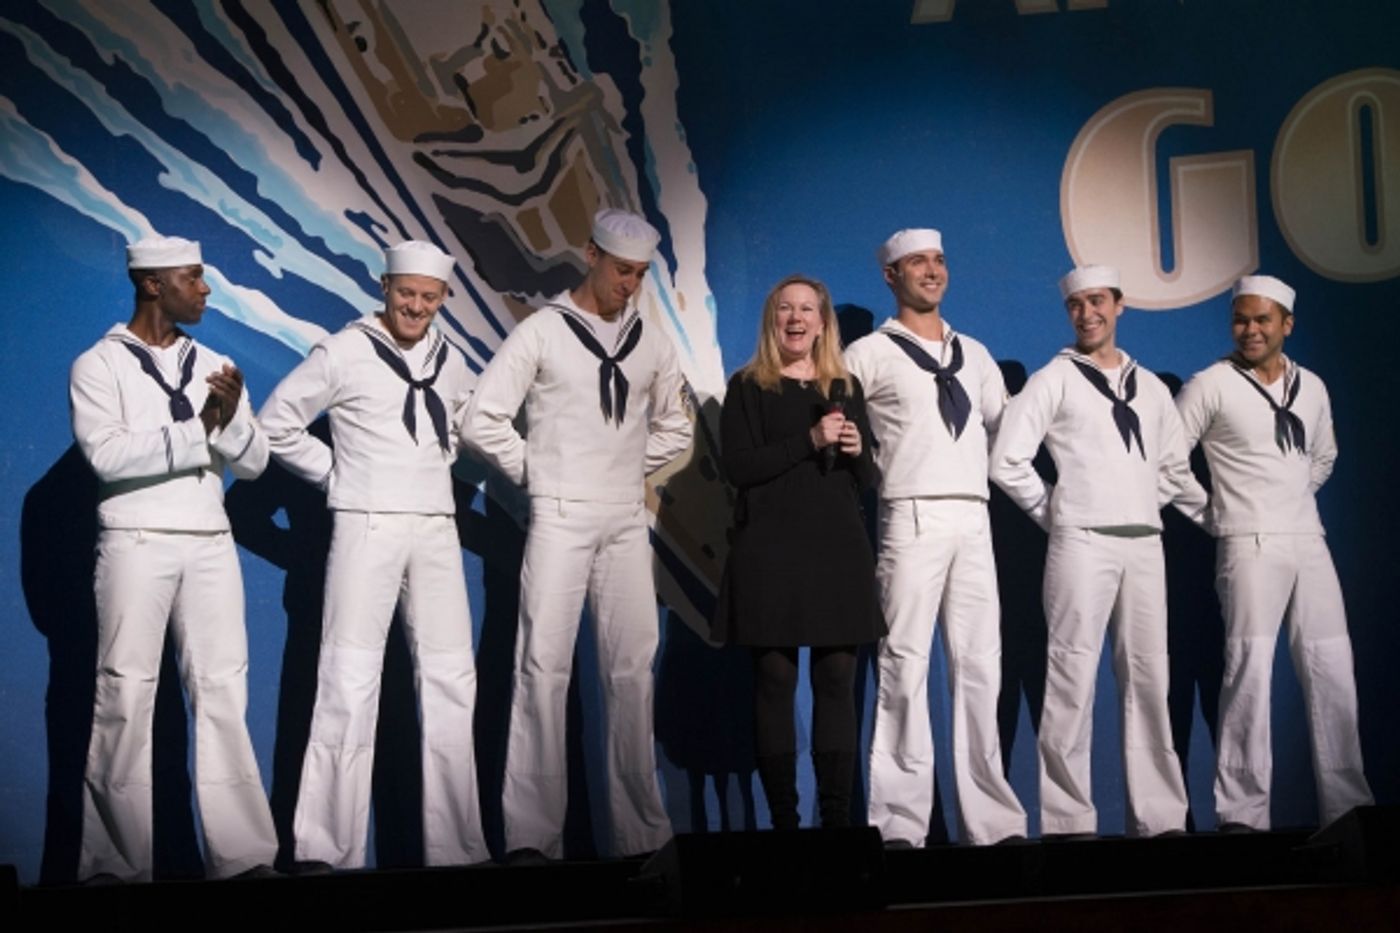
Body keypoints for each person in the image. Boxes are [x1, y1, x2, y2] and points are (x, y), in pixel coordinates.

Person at [463, 208, 692, 860]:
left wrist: (620, 463)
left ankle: (640, 833)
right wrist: (539, 469)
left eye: (642, 274)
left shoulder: (649, 337)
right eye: (623, 271)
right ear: (591, 254)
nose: (631, 285)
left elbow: (676, 426)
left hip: (623, 514)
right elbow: (483, 420)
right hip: (559, 513)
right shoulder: (543, 331)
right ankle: (534, 837)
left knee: (631, 670)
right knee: (543, 667)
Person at [259, 240, 487, 869]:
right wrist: (337, 476)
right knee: (348, 681)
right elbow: (275, 424)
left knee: (451, 682)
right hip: (366, 525)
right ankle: (326, 849)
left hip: (435, 527)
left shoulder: (451, 357)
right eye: (405, 293)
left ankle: (458, 848)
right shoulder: (344, 350)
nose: (415, 306)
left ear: (443, 299)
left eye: (428, 296)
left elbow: (469, 427)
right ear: (385, 288)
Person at [69, 235, 278, 882]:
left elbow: (255, 461)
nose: (206, 289)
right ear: (153, 284)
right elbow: (107, 455)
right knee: (125, 694)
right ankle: (113, 864)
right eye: (193, 277)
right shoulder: (98, 365)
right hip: (135, 540)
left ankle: (244, 857)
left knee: (223, 691)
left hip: (209, 542)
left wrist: (232, 420)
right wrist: (200, 431)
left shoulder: (215, 361)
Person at [990, 264, 1207, 838]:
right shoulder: (1053, 379)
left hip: (1144, 546)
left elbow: (1174, 471)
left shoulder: (1152, 389)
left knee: (1148, 678)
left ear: (1119, 305)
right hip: (1080, 544)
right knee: (1069, 677)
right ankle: (1068, 821)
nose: (1088, 314)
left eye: (1097, 303)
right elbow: (1006, 460)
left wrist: (1142, 504)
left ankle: (1160, 817)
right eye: (1077, 305)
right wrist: (1056, 513)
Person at [844, 229, 1027, 847]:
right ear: (891, 277)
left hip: (974, 517)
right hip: (911, 514)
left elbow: (1008, 428)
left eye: (939, 260)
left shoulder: (973, 353)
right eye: (917, 262)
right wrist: (872, 465)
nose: (932, 270)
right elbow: (836, 420)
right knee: (904, 665)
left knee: (981, 666)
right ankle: (898, 823)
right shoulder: (868, 353)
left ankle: (993, 821)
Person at [1175, 274, 1372, 831]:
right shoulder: (1210, 384)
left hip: (1308, 541)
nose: (1250, 330)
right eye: (1241, 319)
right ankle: (1243, 815)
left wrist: (1290, 499)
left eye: (1262, 320)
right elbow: (1166, 461)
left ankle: (1349, 809)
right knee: (1249, 673)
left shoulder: (1312, 385)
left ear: (1287, 323)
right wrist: (1214, 513)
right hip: (1247, 544)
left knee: (1333, 672)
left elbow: (1324, 455)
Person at [715, 274, 884, 830]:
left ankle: (835, 824)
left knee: (837, 679)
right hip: (770, 553)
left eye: (806, 309)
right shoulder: (748, 386)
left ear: (821, 320)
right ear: (772, 319)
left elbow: (862, 482)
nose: (795, 318)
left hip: (837, 550)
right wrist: (807, 443)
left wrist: (859, 454)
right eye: (785, 308)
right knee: (776, 682)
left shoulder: (843, 386)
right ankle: (784, 824)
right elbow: (740, 468)